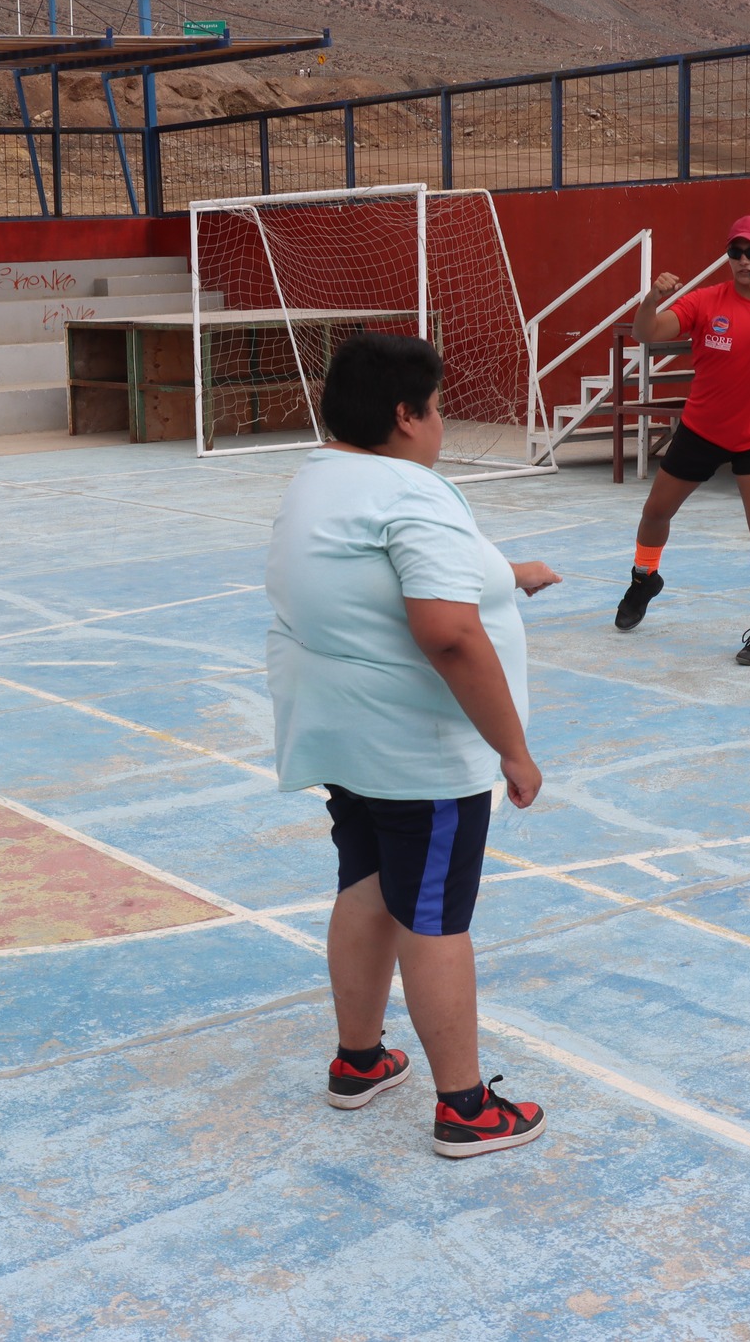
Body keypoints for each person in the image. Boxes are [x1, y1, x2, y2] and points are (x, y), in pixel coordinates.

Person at [265, 331, 560, 1158]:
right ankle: (464, 1106)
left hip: (344, 733)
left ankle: (358, 1059)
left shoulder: (319, 480)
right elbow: (449, 632)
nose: (441, 425)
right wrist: (513, 749)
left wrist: (510, 574)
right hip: (417, 749)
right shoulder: (412, 492)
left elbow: (388, 579)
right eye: (437, 409)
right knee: (434, 917)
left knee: (368, 884)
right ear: (406, 416)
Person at [615, 214, 750, 665]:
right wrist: (652, 299)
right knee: (655, 512)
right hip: (701, 430)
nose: (744, 260)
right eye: (735, 251)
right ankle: (644, 577)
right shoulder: (706, 302)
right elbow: (645, 333)